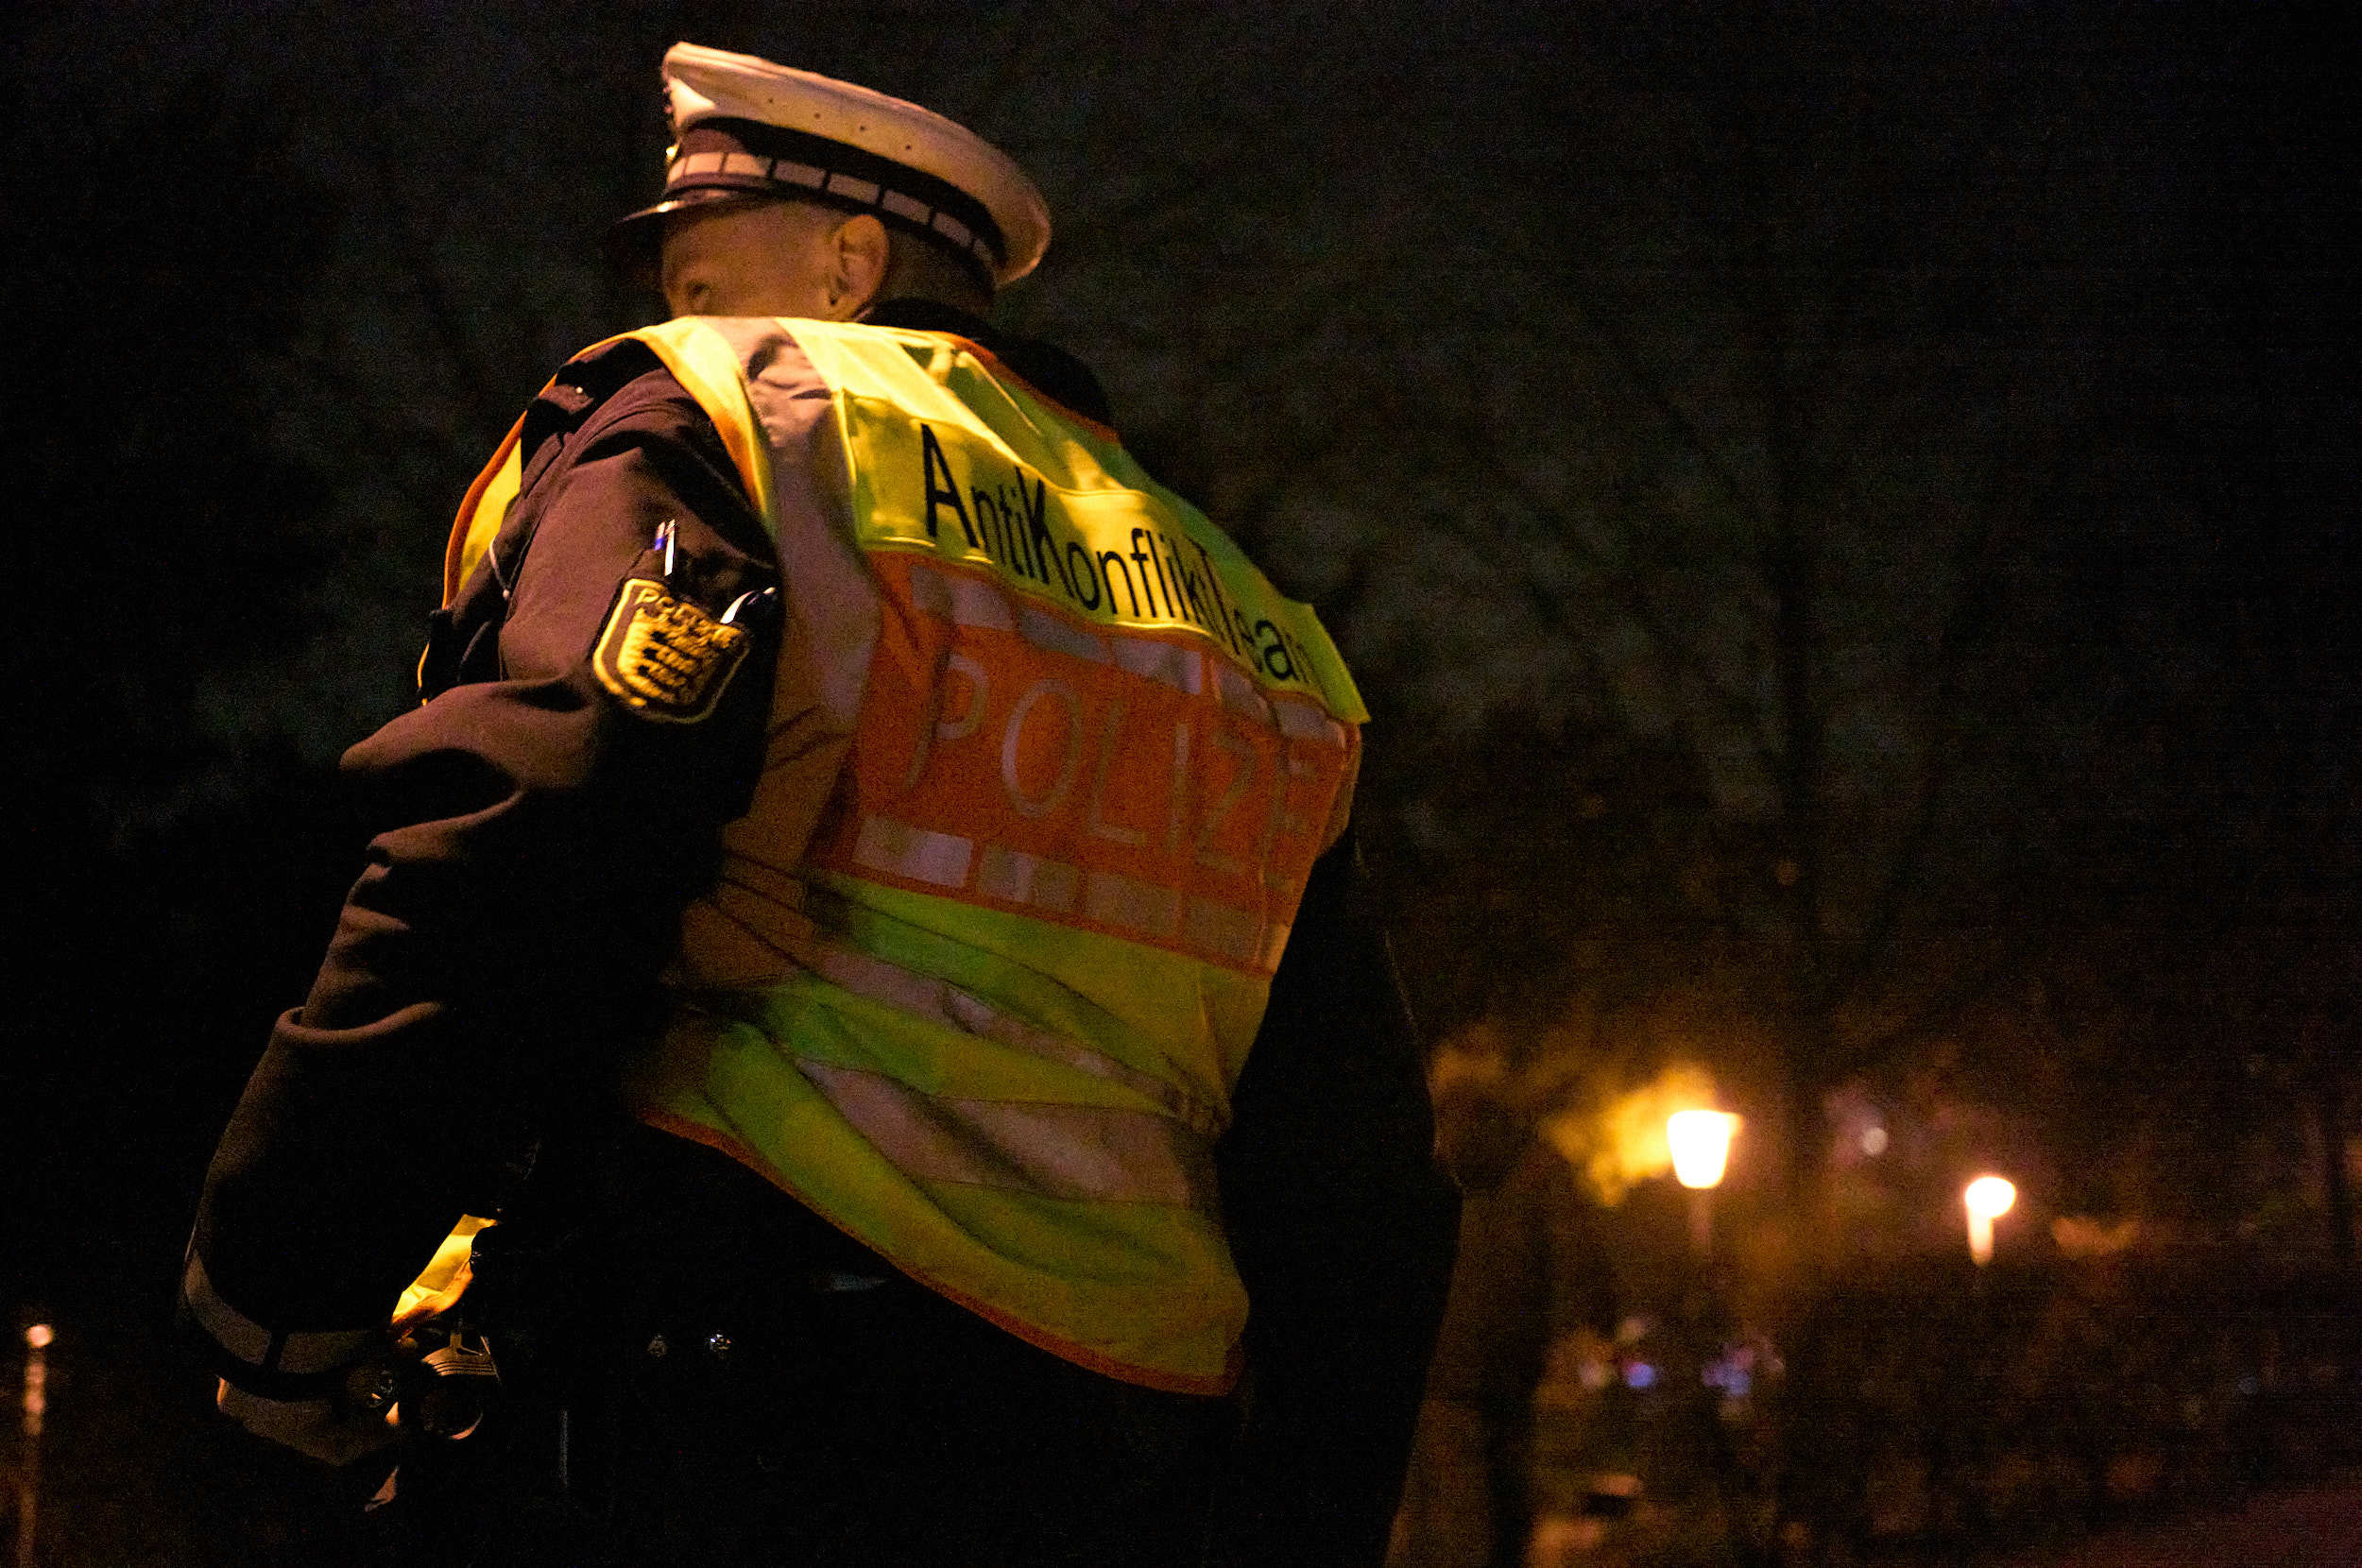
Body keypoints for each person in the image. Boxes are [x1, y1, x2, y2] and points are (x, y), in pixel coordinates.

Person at [179, 42, 1456, 1568]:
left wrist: (283, 1291)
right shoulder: (1239, 619)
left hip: (721, 1407)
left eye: (705, 280)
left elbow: (531, 841)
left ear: (852, 265)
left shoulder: (737, 420)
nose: (672, 320)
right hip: (1117, 1461)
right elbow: (1358, 1172)